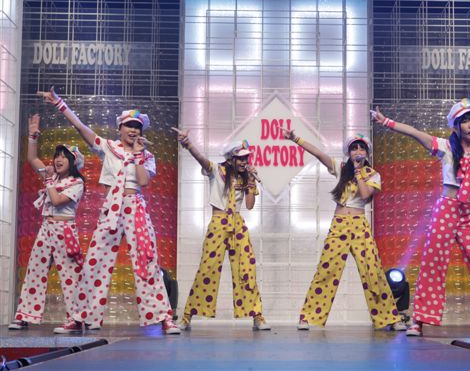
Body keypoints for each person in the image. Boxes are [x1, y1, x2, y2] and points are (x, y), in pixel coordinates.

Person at [38, 88, 180, 335]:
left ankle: (163, 317)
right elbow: (81, 128)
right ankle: (81, 317)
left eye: (137, 127)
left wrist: (138, 155)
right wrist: (59, 103)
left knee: (147, 261)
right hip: (111, 208)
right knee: (95, 262)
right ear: (120, 128)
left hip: (135, 207)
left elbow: (143, 181)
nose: (133, 130)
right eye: (129, 126)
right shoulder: (109, 147)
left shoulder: (147, 155)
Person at [371, 98, 470, 337]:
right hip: (447, 208)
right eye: (465, 121)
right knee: (433, 263)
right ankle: (419, 320)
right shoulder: (447, 147)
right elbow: (415, 133)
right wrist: (386, 121)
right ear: (456, 126)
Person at [281, 129, 406, 331]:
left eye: (361, 148)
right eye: (354, 148)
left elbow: (365, 195)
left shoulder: (373, 175)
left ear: (367, 153)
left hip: (359, 225)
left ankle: (390, 319)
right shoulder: (340, 168)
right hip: (339, 224)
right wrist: (295, 138)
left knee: (372, 271)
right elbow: (318, 153)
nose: (358, 151)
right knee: (326, 270)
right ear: (349, 153)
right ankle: (308, 317)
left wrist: (358, 173)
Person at [173, 128, 270, 331]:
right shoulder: (217, 171)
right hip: (218, 223)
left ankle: (257, 316)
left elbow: (250, 205)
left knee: (247, 269)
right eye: (240, 158)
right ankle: (187, 316)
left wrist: (251, 182)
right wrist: (188, 144)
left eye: (246, 158)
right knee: (207, 269)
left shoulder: (246, 177)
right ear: (231, 158)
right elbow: (201, 159)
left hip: (238, 225)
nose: (244, 162)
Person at [8, 115, 86, 333]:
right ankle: (24, 316)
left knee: (70, 276)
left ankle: (75, 319)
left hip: (65, 230)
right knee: (35, 271)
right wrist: (32, 136)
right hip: (46, 228)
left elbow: (57, 200)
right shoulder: (53, 177)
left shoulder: (77, 182)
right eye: (56, 156)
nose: (58, 160)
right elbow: (32, 159)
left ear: (73, 162)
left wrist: (49, 181)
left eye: (64, 157)